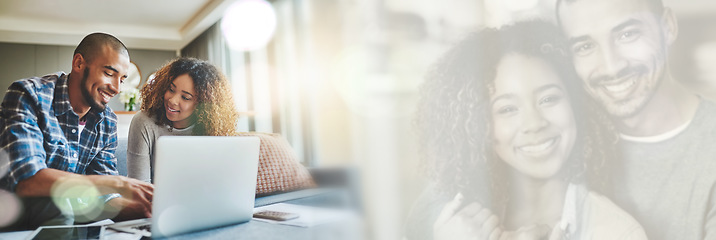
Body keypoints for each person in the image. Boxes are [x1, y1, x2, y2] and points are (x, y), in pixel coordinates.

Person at [405, 20, 646, 239]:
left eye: (549, 99)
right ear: (478, 126)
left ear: (577, 103)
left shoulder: (618, 232)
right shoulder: (435, 215)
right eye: (507, 109)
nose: (534, 123)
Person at [556, 0, 716, 238]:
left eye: (627, 34)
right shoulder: (562, 142)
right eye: (585, 46)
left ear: (668, 26)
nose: (611, 67)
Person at [0, 32, 153, 230]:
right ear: (79, 63)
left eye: (122, 79)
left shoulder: (107, 121)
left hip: (67, 214)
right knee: (59, 206)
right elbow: (28, 181)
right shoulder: (29, 95)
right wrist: (120, 183)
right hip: (14, 212)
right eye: (109, 73)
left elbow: (105, 197)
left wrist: (143, 209)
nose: (116, 88)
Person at [127, 57, 238, 183]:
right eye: (171, 89)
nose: (173, 101)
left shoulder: (212, 127)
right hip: (151, 199)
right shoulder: (144, 122)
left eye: (185, 97)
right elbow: (138, 186)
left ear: (203, 104)